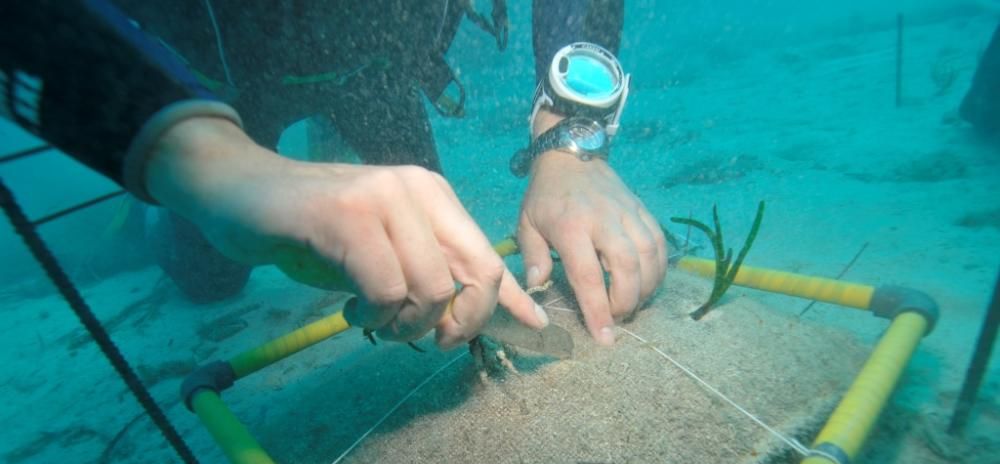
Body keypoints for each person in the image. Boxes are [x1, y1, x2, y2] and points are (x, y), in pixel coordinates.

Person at [1, 0, 666, 349]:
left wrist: (570, 132)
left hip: (374, 74)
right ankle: (143, 216)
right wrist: (186, 152)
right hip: (219, 88)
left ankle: (328, 144)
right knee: (207, 278)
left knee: (425, 270)